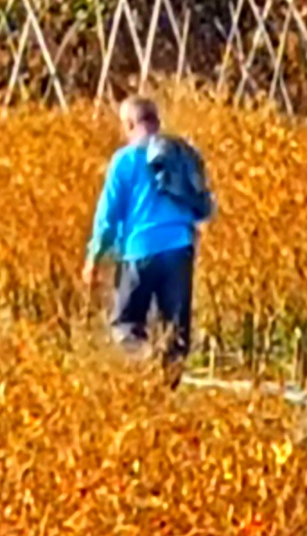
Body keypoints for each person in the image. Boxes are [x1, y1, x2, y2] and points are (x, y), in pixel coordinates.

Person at [85, 94, 214, 382]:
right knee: (176, 331)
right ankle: (167, 393)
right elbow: (198, 199)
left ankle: (145, 359)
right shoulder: (180, 154)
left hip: (139, 251)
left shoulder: (124, 161)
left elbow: (108, 219)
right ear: (157, 122)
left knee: (126, 325)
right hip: (180, 248)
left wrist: (94, 258)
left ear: (130, 124)